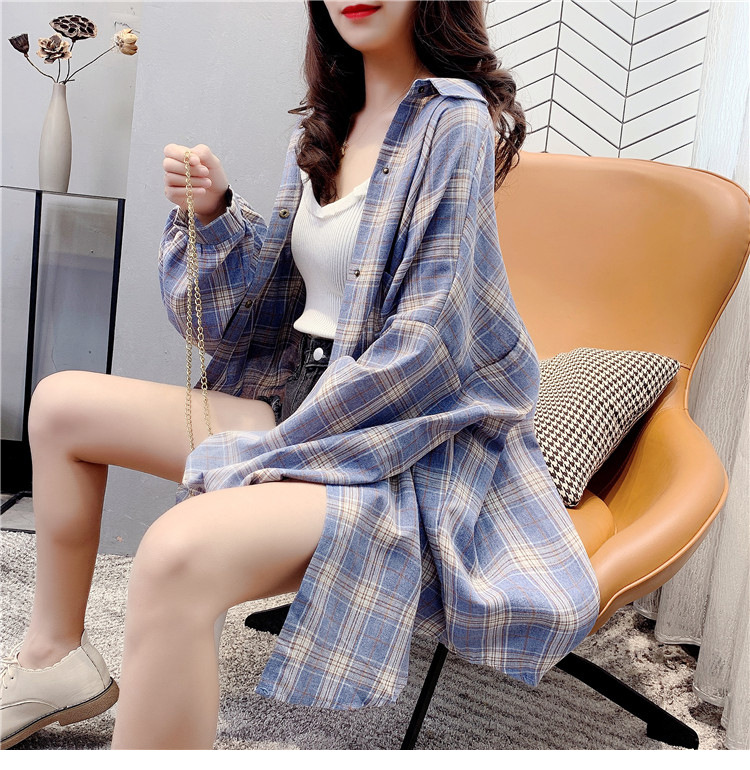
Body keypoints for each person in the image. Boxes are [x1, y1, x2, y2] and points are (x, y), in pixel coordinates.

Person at [0, 0, 600, 751]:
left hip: (388, 436)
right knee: (59, 406)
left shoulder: (455, 123)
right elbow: (253, 316)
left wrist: (275, 453)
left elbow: (427, 344)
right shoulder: (324, 126)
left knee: (176, 552)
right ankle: (54, 659)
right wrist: (215, 212)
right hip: (292, 394)